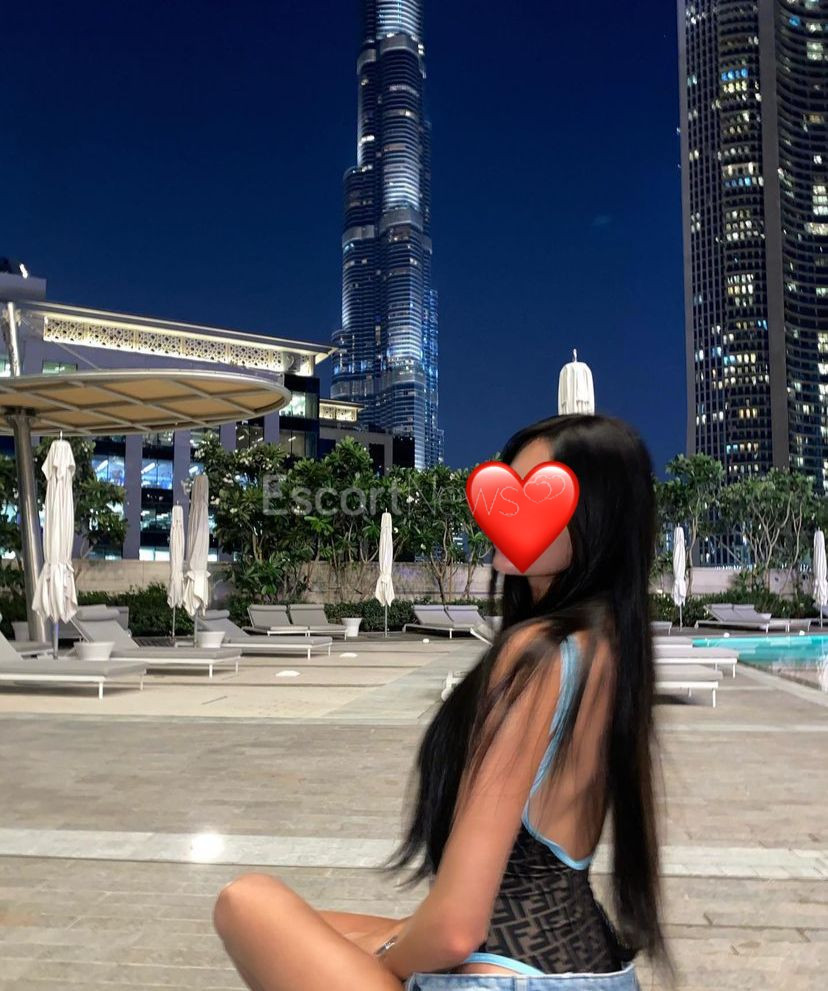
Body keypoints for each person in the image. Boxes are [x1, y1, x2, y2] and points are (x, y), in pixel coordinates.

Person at [213, 414, 670, 991]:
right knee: (323, 930)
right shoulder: (609, 645)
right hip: (595, 971)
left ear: (597, 518)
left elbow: (457, 930)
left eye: (539, 497)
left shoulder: (537, 653)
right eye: (506, 493)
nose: (509, 515)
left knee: (246, 901)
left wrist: (385, 966)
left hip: (510, 979)